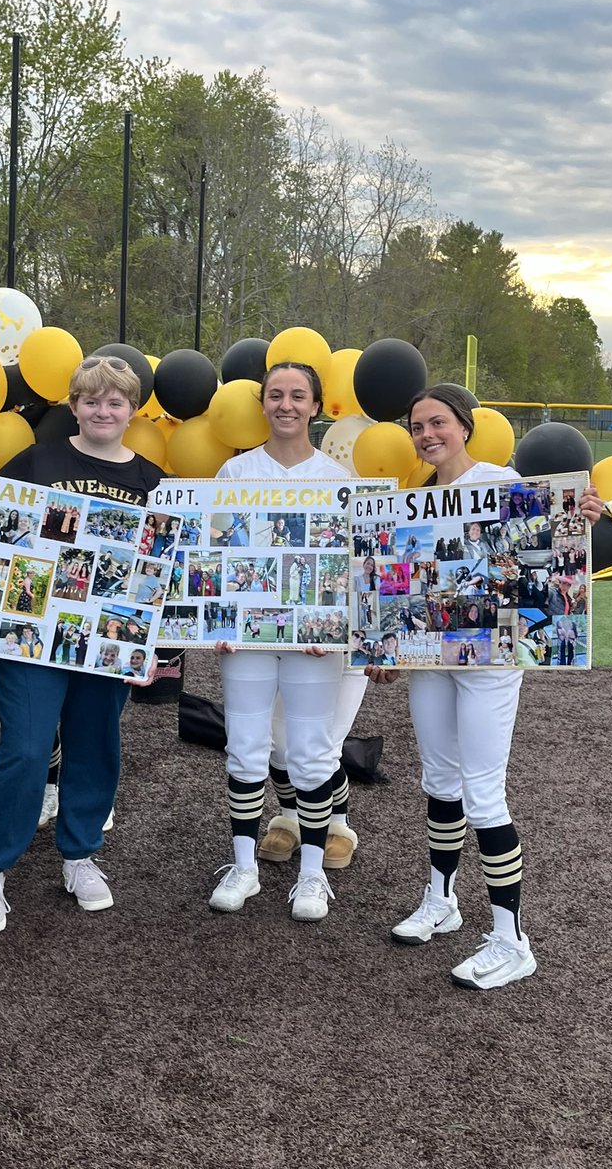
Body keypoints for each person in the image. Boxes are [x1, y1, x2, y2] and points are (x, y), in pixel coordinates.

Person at [0, 355, 160, 934]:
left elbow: (160, 574)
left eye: (115, 402)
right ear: (74, 405)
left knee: (96, 746)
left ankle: (80, 856)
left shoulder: (151, 480)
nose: (103, 411)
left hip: (104, 641)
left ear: (132, 410)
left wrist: (150, 650)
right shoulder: (38, 460)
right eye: (91, 400)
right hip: (29, 638)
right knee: (25, 748)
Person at [368, 384, 603, 990]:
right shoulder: (415, 500)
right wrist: (386, 648)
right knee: (439, 781)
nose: (427, 434)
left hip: (491, 657)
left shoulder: (501, 481)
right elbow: (402, 588)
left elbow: (548, 538)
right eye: (417, 426)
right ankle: (442, 899)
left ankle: (511, 940)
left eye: (437, 422)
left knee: (483, 793)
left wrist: (580, 513)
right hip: (434, 656)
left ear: (465, 426)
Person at [209, 361, 368, 922]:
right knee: (246, 747)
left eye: (298, 396)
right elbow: (216, 557)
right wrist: (213, 622)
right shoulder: (234, 472)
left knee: (310, 753)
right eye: (275, 394)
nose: (286, 405)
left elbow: (353, 568)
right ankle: (244, 867)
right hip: (247, 639)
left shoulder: (340, 479)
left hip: (313, 646)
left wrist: (336, 626)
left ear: (316, 407)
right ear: (262, 404)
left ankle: (312, 875)